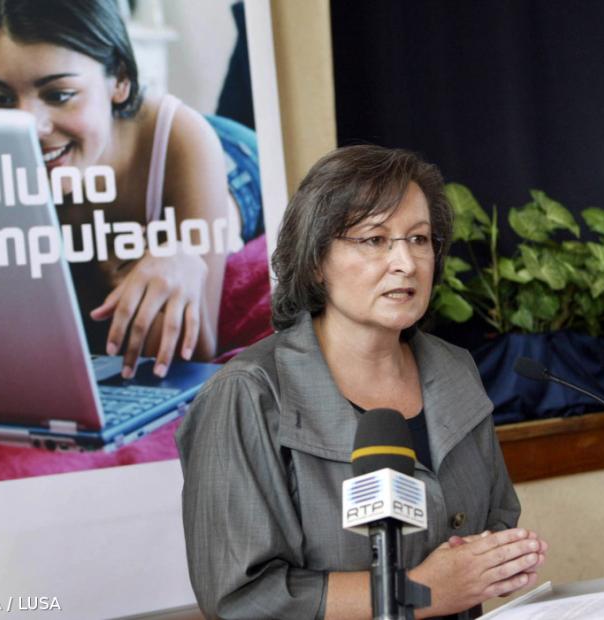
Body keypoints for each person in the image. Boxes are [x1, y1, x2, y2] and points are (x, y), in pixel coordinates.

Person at [176, 146, 548, 619]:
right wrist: (420, 591)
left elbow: (495, 515)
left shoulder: (454, 368)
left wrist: (494, 559)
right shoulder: (248, 394)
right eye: (374, 240)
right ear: (315, 261)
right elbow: (240, 599)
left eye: (419, 239)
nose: (406, 262)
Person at [0, 0, 262, 378]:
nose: (29, 126)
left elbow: (197, 348)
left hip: (230, 158)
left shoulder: (181, 137)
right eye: (0, 98)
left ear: (121, 79)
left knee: (217, 219)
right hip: (93, 138)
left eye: (58, 94)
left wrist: (184, 252)